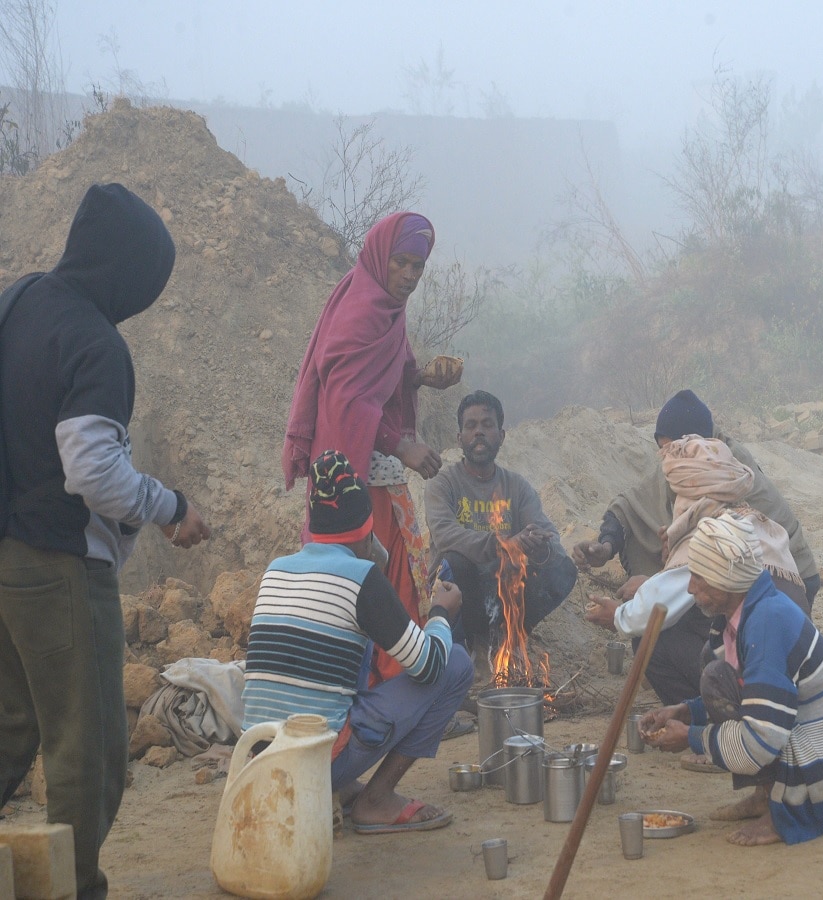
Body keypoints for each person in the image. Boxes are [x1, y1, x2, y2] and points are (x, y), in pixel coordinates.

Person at [0, 183, 211, 899]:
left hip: (3, 551)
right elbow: (92, 470)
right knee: (88, 748)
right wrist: (170, 504)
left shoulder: (19, 301)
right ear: (125, 271)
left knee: (12, 726)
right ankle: (73, 887)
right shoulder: (95, 341)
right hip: (57, 562)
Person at [242, 450, 472, 834]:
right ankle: (377, 798)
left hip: (262, 761)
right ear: (368, 527)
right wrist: (441, 614)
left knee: (346, 654)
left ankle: (344, 787)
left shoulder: (276, 569)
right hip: (315, 764)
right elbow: (429, 665)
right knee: (457, 663)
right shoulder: (361, 579)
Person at [282, 212, 460, 628]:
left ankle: (389, 672)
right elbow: (346, 398)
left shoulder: (386, 306)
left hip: (373, 468)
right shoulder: (362, 311)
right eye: (401, 262)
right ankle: (388, 676)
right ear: (382, 256)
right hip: (356, 472)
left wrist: (419, 378)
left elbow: (377, 380)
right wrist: (402, 445)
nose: (410, 275)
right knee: (370, 581)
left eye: (418, 266)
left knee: (393, 576)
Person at [640, 512, 823, 847]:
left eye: (700, 577)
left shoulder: (766, 624)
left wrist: (693, 738)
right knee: (715, 677)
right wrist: (686, 712)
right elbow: (745, 690)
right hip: (802, 746)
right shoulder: (745, 613)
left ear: (729, 580)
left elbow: (760, 741)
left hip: (819, 776)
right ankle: (768, 794)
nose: (691, 587)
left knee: (717, 680)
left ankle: (788, 813)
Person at [584, 436, 804, 710]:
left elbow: (657, 607)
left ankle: (701, 720)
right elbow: (683, 586)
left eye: (677, 494)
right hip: (785, 654)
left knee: (652, 638)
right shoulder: (751, 518)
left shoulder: (712, 533)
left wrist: (617, 615)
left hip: (765, 666)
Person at [573, 388, 821, 609]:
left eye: (674, 450)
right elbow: (632, 503)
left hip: (783, 583)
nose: (669, 459)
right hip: (739, 580)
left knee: (667, 634)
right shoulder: (690, 460)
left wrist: (648, 591)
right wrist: (606, 545)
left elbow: (718, 565)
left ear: (693, 441)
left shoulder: (727, 473)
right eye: (664, 450)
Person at [424, 390, 578, 666]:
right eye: (470, 426)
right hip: (462, 592)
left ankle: (513, 636)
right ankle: (478, 645)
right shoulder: (442, 484)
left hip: (505, 588)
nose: (479, 433)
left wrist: (540, 546)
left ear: (501, 435)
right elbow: (445, 535)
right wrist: (505, 544)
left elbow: (548, 533)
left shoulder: (517, 486)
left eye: (487, 425)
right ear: (459, 439)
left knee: (562, 568)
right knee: (453, 561)